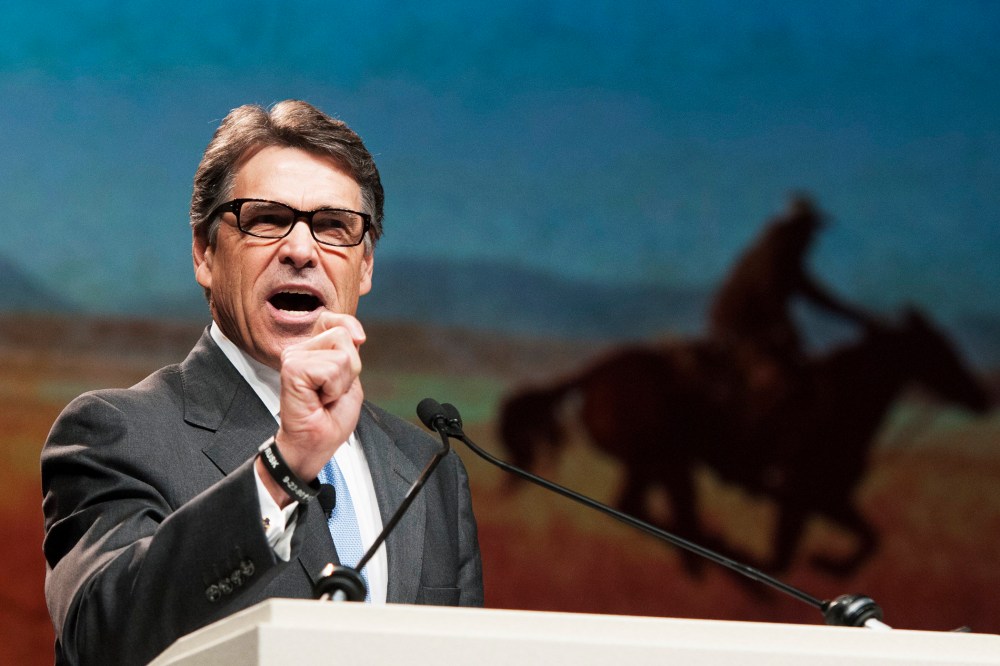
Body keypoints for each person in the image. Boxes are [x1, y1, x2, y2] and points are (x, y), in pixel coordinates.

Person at [41, 100, 483, 665]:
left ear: (365, 266)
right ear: (204, 252)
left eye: (332, 227)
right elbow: (102, 640)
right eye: (267, 219)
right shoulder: (116, 433)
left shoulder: (428, 468)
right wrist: (282, 467)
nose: (300, 250)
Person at [707, 195, 875, 391]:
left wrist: (862, 318)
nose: (812, 238)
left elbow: (818, 297)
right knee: (782, 379)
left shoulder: (784, 256)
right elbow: (771, 298)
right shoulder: (775, 255)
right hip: (737, 329)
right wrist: (789, 333)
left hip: (744, 327)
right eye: (809, 230)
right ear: (798, 228)